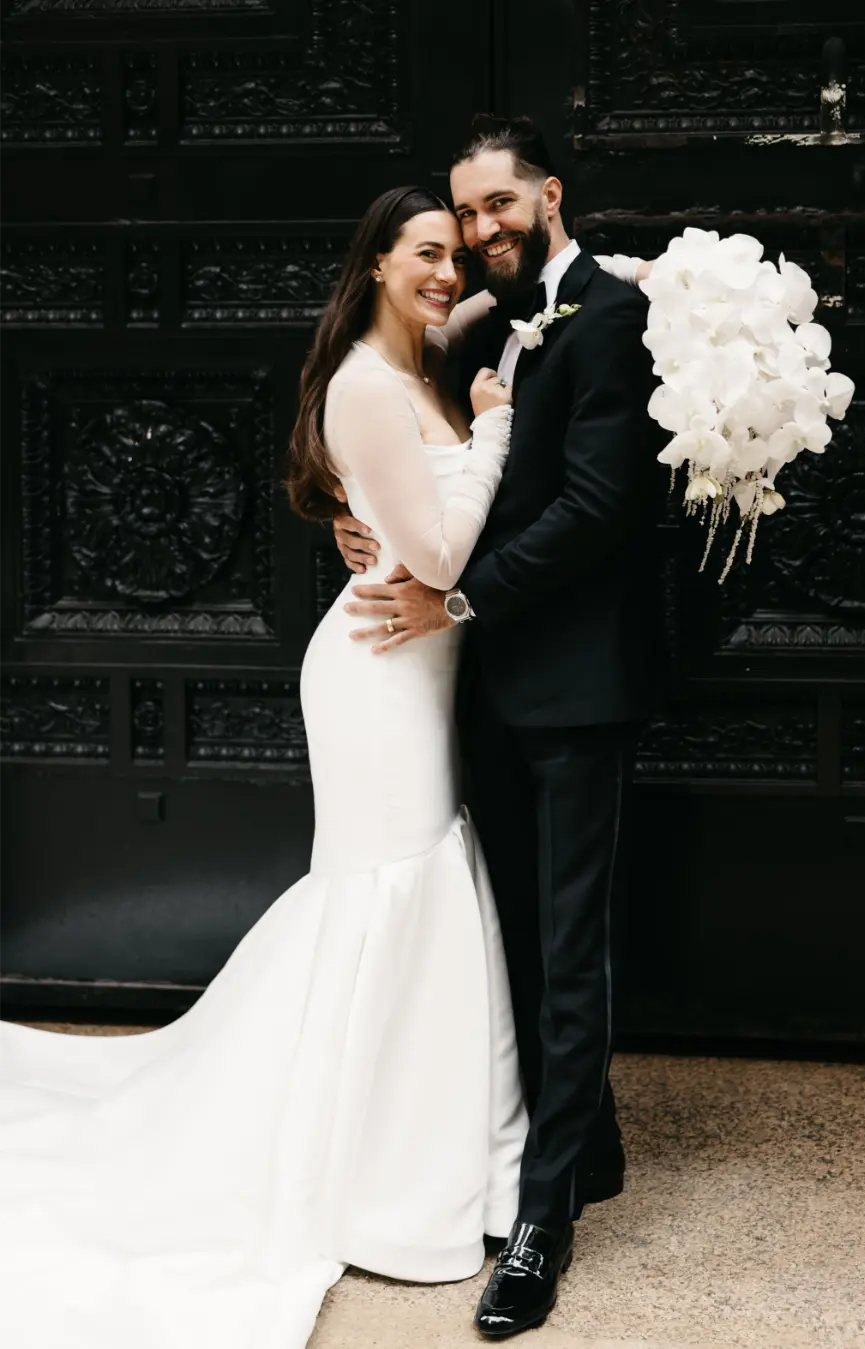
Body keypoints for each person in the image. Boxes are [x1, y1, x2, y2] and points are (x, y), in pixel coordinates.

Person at [0, 186, 531, 1349]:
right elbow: (437, 555)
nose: (449, 273)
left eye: (455, 253)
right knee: (388, 886)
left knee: (414, 879)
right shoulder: (365, 383)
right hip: (378, 671)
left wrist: (626, 277)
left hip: (420, 668)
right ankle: (368, 1163)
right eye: (426, 254)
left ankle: (435, 1143)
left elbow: (515, 291)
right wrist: (494, 430)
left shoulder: (431, 354)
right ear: (379, 263)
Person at [334, 115, 660, 1338]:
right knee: (520, 927)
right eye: (464, 216)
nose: (478, 233)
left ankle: (541, 1224)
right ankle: (593, 1146)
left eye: (496, 208)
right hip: (477, 683)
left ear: (549, 197)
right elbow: (382, 437)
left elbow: (595, 508)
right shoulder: (478, 327)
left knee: (567, 946)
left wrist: (456, 595)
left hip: (578, 684)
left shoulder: (615, 318)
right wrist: (350, 515)